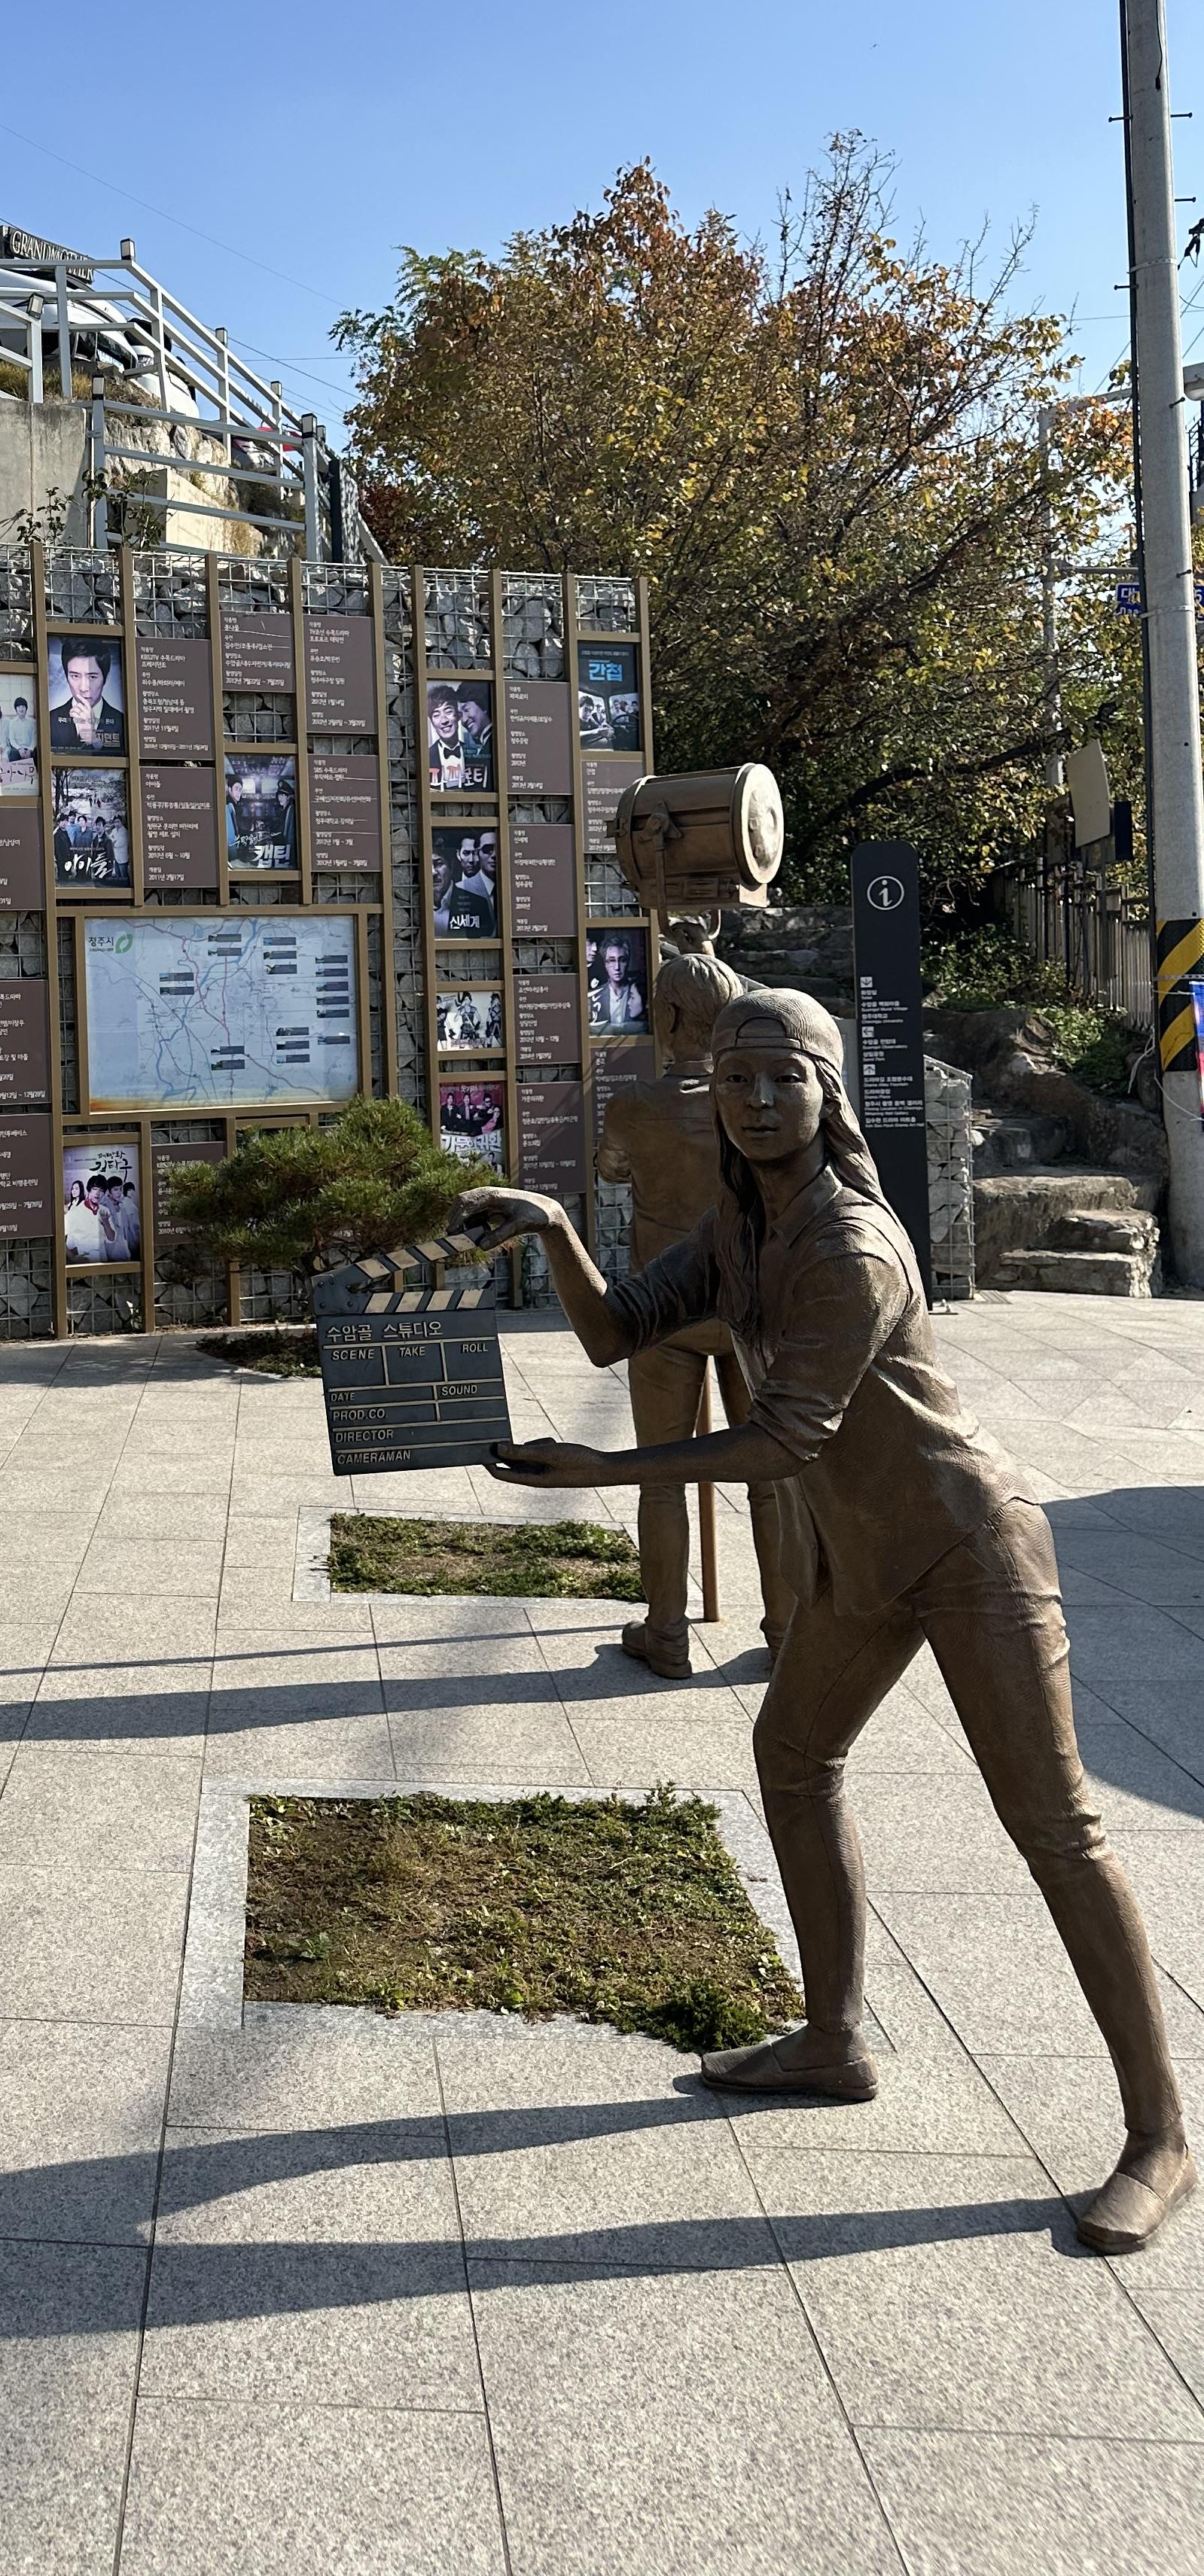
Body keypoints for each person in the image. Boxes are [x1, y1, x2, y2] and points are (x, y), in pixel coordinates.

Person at [456, 985, 1193, 2256]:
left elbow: (782, 1438)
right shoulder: (737, 1228)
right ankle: (832, 2037)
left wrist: (601, 1473)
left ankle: (1160, 2135)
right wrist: (554, 1226)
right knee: (792, 1757)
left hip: (967, 1546)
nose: (753, 1100)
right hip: (862, 1553)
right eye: (733, 1080)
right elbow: (612, 1334)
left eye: (780, 1078)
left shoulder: (850, 1243)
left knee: (1055, 1828)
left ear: (826, 1092)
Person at [592, 945, 791, 1674]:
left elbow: (611, 1169)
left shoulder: (634, 1106)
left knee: (661, 1475)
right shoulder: (749, 1106)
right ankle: (787, 1630)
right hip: (749, 1308)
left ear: (669, 1018)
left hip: (662, 1312)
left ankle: (668, 1632)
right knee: (771, 1476)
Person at [50, 644, 123, 753]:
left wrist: (91, 739)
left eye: (92, 677)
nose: (84, 688)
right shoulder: (50, 720)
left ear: (106, 677)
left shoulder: (122, 723)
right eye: (75, 676)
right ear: (67, 677)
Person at [435, 832, 496, 936]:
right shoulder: (450, 886)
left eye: (474, 853)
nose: (472, 860)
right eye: (466, 853)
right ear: (458, 855)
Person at [590, 936, 648, 1032]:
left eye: (622, 960)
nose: (617, 967)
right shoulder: (595, 996)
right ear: (605, 964)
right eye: (612, 961)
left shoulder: (638, 993)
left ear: (628, 962)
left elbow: (645, 1027)